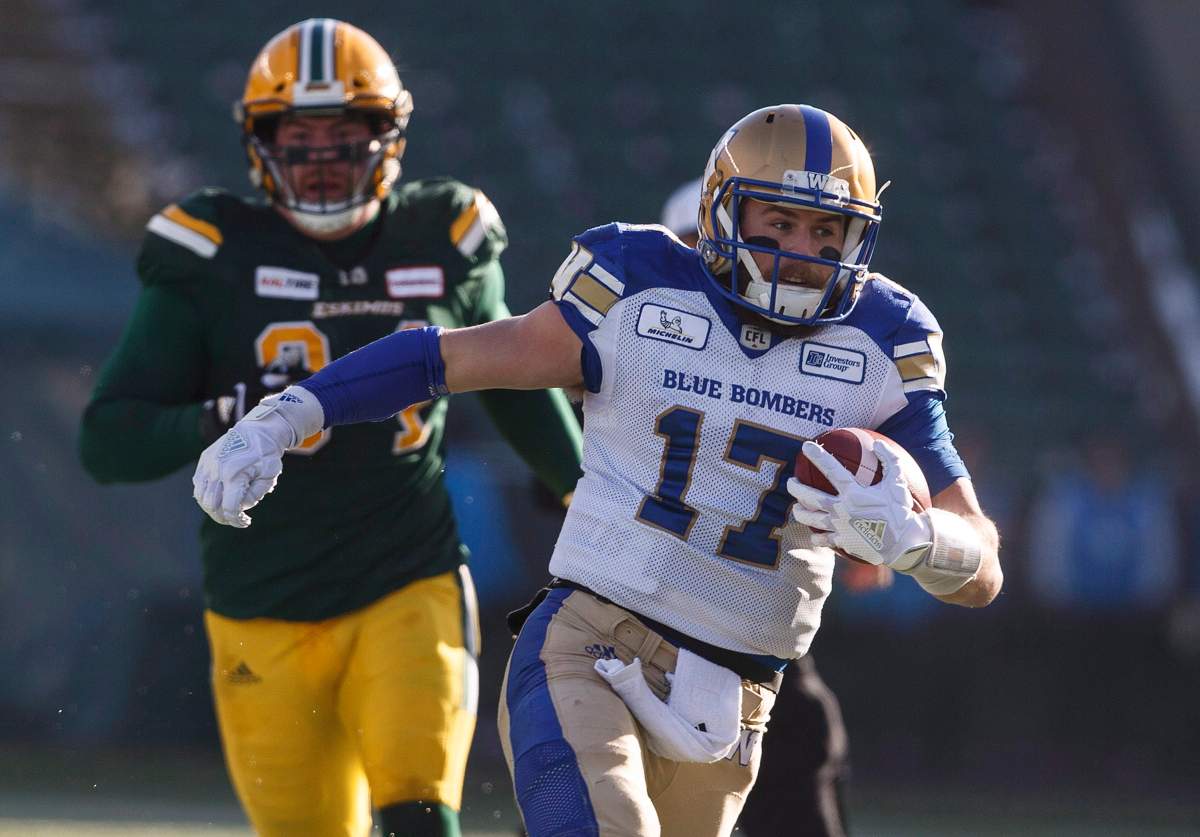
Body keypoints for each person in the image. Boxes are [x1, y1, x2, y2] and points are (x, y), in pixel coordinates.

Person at [192, 104, 1003, 837]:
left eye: (827, 233)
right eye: (781, 223)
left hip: (736, 701)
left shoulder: (882, 344)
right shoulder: (640, 288)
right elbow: (452, 357)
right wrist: (292, 412)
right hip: (592, 645)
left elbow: (982, 568)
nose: (802, 254)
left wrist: (922, 538)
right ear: (724, 212)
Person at [79, 19, 583, 837]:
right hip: (259, 601)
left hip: (406, 579)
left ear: (387, 138)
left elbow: (515, 379)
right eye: (299, 136)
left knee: (421, 813)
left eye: (343, 135)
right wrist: (221, 418)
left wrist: (582, 484)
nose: (319, 158)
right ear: (259, 144)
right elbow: (107, 439)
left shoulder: (444, 234)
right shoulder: (212, 251)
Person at [662, 177, 893, 836]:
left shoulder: (815, 357)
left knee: (798, 743)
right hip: (635, 628)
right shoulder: (640, 340)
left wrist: (867, 525)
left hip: (755, 648)